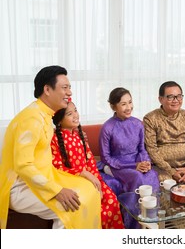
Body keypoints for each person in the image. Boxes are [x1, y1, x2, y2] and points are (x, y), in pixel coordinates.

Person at [0, 65, 101, 229]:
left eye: (70, 87)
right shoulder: (31, 119)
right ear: (47, 89)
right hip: (20, 186)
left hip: (43, 177)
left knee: (89, 190)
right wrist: (57, 191)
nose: (70, 93)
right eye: (65, 88)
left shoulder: (44, 114)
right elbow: (23, 166)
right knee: (73, 206)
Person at [51, 101, 124, 229]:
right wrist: (83, 174)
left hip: (90, 179)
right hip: (72, 183)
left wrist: (98, 183)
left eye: (76, 110)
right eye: (69, 113)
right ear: (59, 121)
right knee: (94, 208)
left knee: (111, 200)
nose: (75, 115)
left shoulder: (80, 136)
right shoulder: (54, 139)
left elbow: (90, 161)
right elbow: (57, 167)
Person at [98, 87, 159, 228]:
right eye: (123, 104)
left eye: (130, 102)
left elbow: (141, 149)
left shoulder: (138, 124)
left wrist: (146, 162)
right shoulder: (108, 127)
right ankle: (134, 225)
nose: (128, 107)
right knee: (137, 177)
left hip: (136, 162)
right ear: (113, 106)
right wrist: (133, 166)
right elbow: (105, 157)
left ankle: (151, 220)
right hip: (117, 165)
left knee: (151, 175)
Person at [143, 81, 185, 183]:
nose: (176, 100)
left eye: (179, 96)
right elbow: (151, 149)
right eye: (170, 97)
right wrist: (171, 171)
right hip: (163, 168)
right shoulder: (150, 118)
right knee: (164, 180)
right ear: (161, 99)